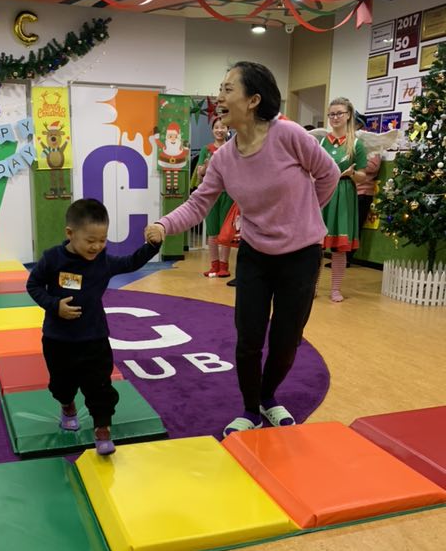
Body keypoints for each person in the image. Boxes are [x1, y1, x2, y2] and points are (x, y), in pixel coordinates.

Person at [145, 62, 340, 435]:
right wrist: (163, 224)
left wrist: (305, 215)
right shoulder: (223, 158)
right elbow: (198, 203)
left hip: (301, 255)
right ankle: (251, 409)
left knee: (286, 340)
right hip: (254, 254)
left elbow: (328, 173)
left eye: (228, 89)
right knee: (248, 338)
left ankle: (269, 398)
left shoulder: (289, 135)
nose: (219, 97)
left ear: (253, 100)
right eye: (220, 88)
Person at [27, 198, 160, 455]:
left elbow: (131, 262)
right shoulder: (53, 259)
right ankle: (67, 406)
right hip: (58, 339)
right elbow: (33, 285)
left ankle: (102, 429)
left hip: (94, 338)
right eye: (90, 241)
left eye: (103, 240)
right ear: (70, 233)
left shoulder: (103, 262)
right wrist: (54, 305)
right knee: (61, 385)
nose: (97, 246)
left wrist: (152, 246)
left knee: (99, 386)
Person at [319, 98, 368, 301]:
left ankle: (336, 289)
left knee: (339, 247)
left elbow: (363, 175)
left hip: (345, 194)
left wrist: (351, 174)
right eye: (331, 114)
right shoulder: (322, 141)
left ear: (348, 115)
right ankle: (311, 288)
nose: (335, 118)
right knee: (316, 247)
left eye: (339, 113)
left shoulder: (356, 143)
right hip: (323, 194)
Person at [193, 116, 233, 278]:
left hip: (229, 194)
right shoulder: (206, 149)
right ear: (212, 130)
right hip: (211, 194)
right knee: (212, 231)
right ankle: (214, 265)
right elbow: (200, 172)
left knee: (226, 232)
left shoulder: (232, 148)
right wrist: (207, 166)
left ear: (228, 130)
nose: (219, 130)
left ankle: (224, 266)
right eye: (217, 127)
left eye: (223, 127)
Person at [348, 111, 381, 266]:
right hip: (349, 190)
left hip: (363, 192)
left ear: (360, 124)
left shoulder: (370, 141)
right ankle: (341, 258)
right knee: (345, 225)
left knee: (355, 226)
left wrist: (356, 161)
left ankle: (348, 257)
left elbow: (374, 166)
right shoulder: (350, 140)